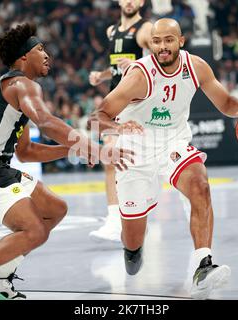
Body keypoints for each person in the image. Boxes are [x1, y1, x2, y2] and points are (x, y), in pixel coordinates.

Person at [0, 23, 133, 300]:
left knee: (55, 209)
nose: (47, 55)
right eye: (41, 50)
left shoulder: (13, 88)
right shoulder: (21, 85)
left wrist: (73, 150)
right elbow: (47, 121)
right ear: (24, 57)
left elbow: (26, 151)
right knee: (34, 229)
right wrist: (94, 148)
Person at [89, 18, 238, 299]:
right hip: (135, 149)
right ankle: (132, 248)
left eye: (168, 40)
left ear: (181, 41)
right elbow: (98, 117)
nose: (162, 47)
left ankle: (203, 265)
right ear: (150, 44)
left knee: (201, 184)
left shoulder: (196, 67)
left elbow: (225, 103)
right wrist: (118, 127)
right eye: (157, 41)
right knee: (133, 240)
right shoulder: (139, 75)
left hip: (173, 142)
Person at [88, 0, 152, 243]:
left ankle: (134, 218)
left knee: (138, 164)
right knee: (110, 157)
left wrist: (137, 64)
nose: (129, 1)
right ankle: (115, 220)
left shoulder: (146, 29)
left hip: (136, 104)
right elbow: (116, 66)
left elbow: (161, 59)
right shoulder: (111, 31)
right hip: (114, 101)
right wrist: (101, 75)